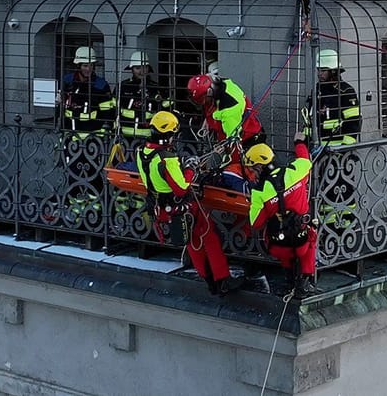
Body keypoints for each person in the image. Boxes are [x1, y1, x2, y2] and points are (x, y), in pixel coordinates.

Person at [136, 110, 244, 296]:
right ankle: (222, 280)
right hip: (183, 207)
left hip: (162, 207)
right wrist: (189, 168)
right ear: (168, 134)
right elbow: (181, 187)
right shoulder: (166, 159)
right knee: (209, 239)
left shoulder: (143, 152)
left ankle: (210, 281)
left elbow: (159, 179)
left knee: (193, 243)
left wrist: (183, 166)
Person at [245, 136, 318, 296]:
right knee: (312, 233)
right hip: (301, 242)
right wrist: (299, 142)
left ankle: (289, 279)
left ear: (259, 166)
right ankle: (305, 280)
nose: (252, 173)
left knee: (278, 234)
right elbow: (305, 159)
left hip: (278, 247)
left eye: (252, 169)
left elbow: (255, 223)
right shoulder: (295, 171)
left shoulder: (259, 191)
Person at [186, 73, 265, 173]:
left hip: (246, 141)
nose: (202, 104)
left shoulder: (228, 111)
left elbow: (232, 143)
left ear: (210, 93)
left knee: (234, 171)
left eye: (202, 100)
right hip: (237, 131)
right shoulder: (220, 84)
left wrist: (218, 163)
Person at [301, 49, 361, 147]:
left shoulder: (345, 91)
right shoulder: (317, 89)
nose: (319, 73)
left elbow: (353, 122)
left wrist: (344, 148)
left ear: (333, 71)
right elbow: (310, 118)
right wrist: (305, 140)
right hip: (317, 146)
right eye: (318, 70)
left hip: (337, 148)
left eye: (323, 70)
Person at [116, 51, 172, 140]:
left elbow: (168, 110)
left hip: (150, 137)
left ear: (148, 69)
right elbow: (113, 110)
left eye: (144, 68)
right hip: (125, 137)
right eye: (138, 68)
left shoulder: (157, 87)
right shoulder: (123, 87)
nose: (142, 71)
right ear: (132, 69)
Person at [61, 47, 116, 136]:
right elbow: (61, 106)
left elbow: (108, 113)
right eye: (85, 66)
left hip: (93, 134)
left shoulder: (101, 85)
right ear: (78, 66)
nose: (89, 69)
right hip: (69, 132)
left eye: (91, 65)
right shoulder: (67, 81)